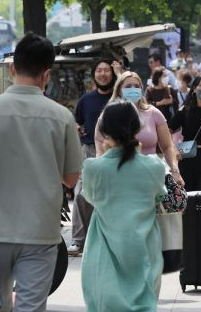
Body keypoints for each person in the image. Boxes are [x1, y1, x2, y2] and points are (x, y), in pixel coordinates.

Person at [0, 32, 83, 312]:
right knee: (31, 307)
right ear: (47, 74)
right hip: (41, 232)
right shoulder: (62, 117)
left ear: (12, 68)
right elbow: (71, 178)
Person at [81, 101, 166, 312]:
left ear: (103, 131)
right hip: (145, 248)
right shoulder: (154, 166)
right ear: (137, 128)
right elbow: (158, 197)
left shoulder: (93, 168)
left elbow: (91, 197)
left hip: (104, 249)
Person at [95, 71, 184, 186]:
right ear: (119, 90)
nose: (133, 89)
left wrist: (175, 171)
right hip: (118, 180)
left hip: (151, 178)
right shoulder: (107, 116)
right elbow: (100, 151)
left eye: (137, 86)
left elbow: (168, 147)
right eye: (128, 86)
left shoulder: (153, 113)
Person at [69, 59, 116, 255]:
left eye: (107, 70)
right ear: (94, 74)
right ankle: (78, 240)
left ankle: (109, 239)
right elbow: (76, 121)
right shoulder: (85, 100)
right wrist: (78, 128)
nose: (103, 74)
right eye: (99, 70)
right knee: (81, 194)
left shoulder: (118, 99)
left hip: (115, 152)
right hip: (89, 151)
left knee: (111, 195)